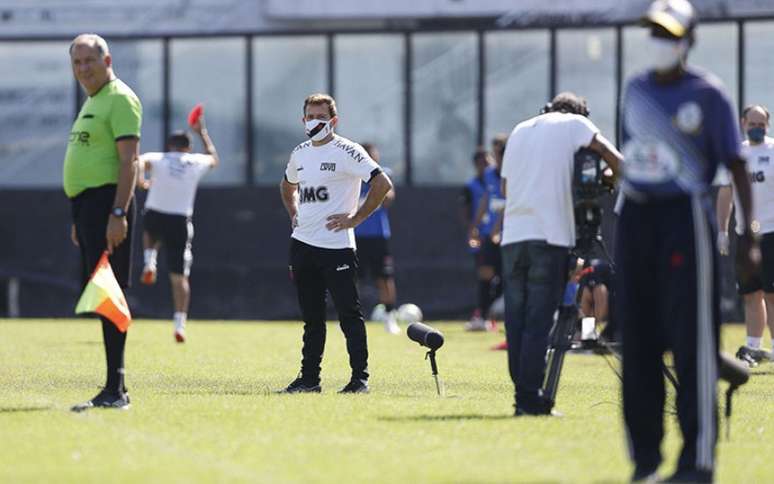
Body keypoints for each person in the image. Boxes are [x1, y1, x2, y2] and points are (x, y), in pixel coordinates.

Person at [616, 1, 758, 481]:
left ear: (687, 40)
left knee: (691, 342)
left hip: (684, 219)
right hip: (635, 217)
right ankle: (645, 458)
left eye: (668, 33)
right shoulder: (635, 89)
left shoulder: (708, 94)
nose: (658, 41)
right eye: (653, 32)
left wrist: (748, 233)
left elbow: (735, 165)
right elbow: (631, 157)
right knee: (636, 343)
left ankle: (697, 460)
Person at [500, 91, 622, 416]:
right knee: (540, 321)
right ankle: (529, 399)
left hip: (513, 237)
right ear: (581, 112)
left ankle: (523, 394)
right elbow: (617, 161)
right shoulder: (576, 125)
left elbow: (505, 188)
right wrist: (605, 181)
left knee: (517, 321)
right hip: (550, 236)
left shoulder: (520, 129)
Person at [279, 93, 393, 394]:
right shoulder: (300, 153)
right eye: (309, 116)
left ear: (334, 120)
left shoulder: (347, 150)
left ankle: (359, 379)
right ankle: (309, 380)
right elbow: (287, 185)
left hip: (337, 246)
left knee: (349, 314)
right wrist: (294, 213)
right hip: (302, 244)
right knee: (312, 319)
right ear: (302, 120)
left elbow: (382, 184)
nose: (314, 122)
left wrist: (356, 218)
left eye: (320, 116)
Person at [65, 34, 142, 411]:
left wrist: (117, 213)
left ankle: (116, 389)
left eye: (89, 61)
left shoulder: (119, 98)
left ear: (107, 59)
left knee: (111, 292)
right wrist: (79, 218)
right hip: (89, 208)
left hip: (107, 204)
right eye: (76, 63)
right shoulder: (93, 101)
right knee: (102, 294)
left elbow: (130, 162)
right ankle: (114, 387)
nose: (83, 69)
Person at [136, 115, 219, 343]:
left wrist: (141, 182)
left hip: (155, 213)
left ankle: (149, 259)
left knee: (149, 231)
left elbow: (138, 162)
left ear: (169, 146)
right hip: (180, 219)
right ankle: (180, 323)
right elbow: (213, 159)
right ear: (188, 147)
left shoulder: (159, 158)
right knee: (179, 277)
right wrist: (202, 132)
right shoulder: (194, 162)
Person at [717, 105, 774, 367]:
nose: (757, 129)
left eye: (762, 125)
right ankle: (753, 347)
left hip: (772, 232)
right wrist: (722, 230)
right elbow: (726, 194)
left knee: (772, 294)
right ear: (743, 123)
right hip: (745, 234)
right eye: (753, 123)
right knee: (752, 293)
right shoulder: (735, 153)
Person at [354, 143, 400, 335]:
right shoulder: (352, 176)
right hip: (354, 236)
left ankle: (390, 317)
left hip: (378, 237)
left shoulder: (382, 174)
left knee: (384, 278)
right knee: (350, 279)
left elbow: (388, 197)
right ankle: (351, 318)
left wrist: (371, 197)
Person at [462, 148, 498, 331]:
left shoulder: (503, 177)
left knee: (504, 279)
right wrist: (473, 231)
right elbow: (470, 212)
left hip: (504, 235)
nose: (486, 165)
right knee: (485, 276)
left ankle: (489, 314)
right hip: (484, 238)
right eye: (481, 163)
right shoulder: (471, 186)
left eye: (488, 161)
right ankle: (482, 315)